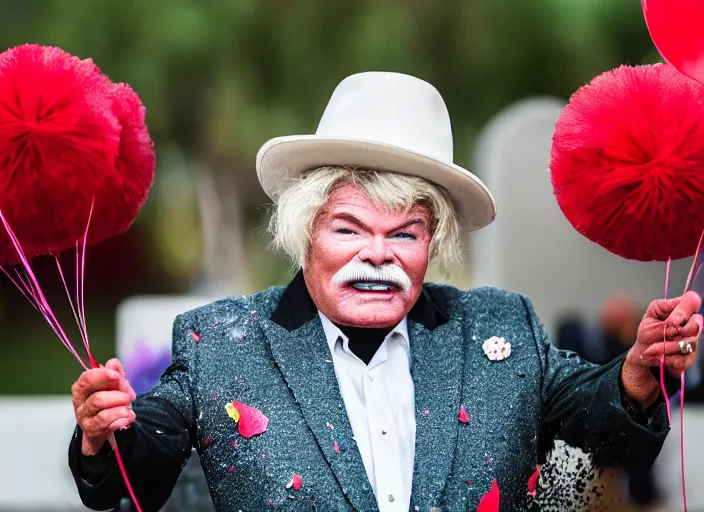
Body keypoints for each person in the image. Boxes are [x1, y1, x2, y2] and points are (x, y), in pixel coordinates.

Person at [68, 72, 701, 511]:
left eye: (404, 233)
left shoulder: (498, 329)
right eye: (349, 228)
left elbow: (602, 433)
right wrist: (105, 433)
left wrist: (639, 375)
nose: (377, 253)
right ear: (307, 231)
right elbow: (135, 470)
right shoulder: (225, 342)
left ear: (435, 242)